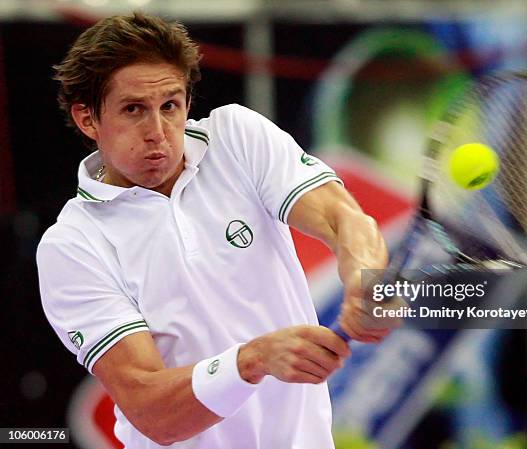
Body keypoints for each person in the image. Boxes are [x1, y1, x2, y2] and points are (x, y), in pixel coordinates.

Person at [36, 12, 392, 449]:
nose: (158, 133)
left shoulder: (238, 137)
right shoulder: (71, 246)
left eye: (170, 106)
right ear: (88, 119)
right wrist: (252, 361)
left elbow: (344, 220)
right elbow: (153, 412)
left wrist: (367, 280)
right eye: (133, 110)